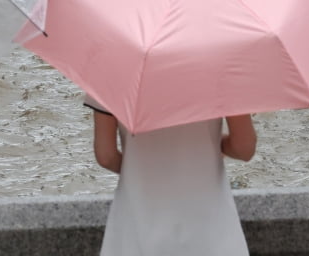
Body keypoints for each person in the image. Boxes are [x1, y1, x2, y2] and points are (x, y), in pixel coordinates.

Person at [89, 96, 257, 256]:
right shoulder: (222, 69)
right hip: (210, 228)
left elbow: (106, 155)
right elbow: (243, 146)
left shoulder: (111, 73)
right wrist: (213, 145)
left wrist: (142, 169)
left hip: (136, 226)